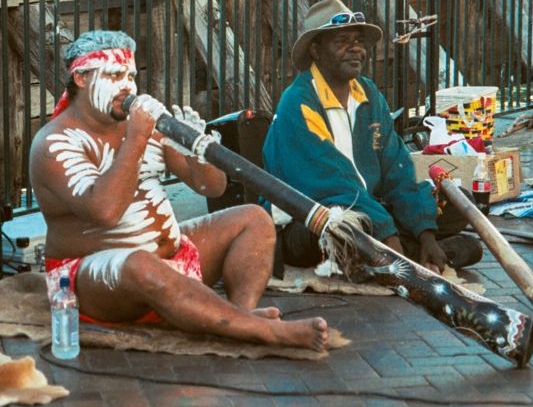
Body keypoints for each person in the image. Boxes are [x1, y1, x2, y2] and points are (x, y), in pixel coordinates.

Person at [29, 30, 329, 352]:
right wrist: (136, 138)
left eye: (131, 75)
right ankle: (262, 331)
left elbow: (213, 187)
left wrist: (195, 151)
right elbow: (106, 212)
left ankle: (239, 315)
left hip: (175, 261)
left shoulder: (140, 125)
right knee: (142, 264)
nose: (128, 86)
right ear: (82, 79)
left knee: (253, 219)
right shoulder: (55, 143)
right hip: (96, 280)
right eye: (115, 75)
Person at [262, 0, 482, 274]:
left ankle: (404, 250)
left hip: (370, 208)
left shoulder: (367, 93)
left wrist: (425, 230)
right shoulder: (298, 102)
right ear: (316, 50)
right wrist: (388, 233)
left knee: (458, 201)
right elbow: (332, 185)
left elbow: (397, 167)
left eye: (358, 41)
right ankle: (405, 252)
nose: (356, 49)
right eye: (342, 41)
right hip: (311, 220)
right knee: (345, 227)